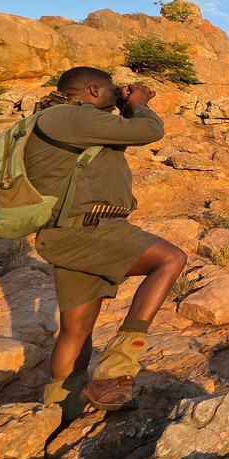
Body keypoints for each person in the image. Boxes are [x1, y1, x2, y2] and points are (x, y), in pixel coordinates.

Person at [26, 66, 187, 417]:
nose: (116, 97)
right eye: (112, 91)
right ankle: (117, 369)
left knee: (77, 329)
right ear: (94, 90)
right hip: (91, 228)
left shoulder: (63, 120)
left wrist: (125, 105)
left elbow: (120, 137)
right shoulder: (69, 116)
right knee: (170, 259)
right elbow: (148, 131)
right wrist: (140, 103)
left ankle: (59, 412)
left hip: (69, 230)